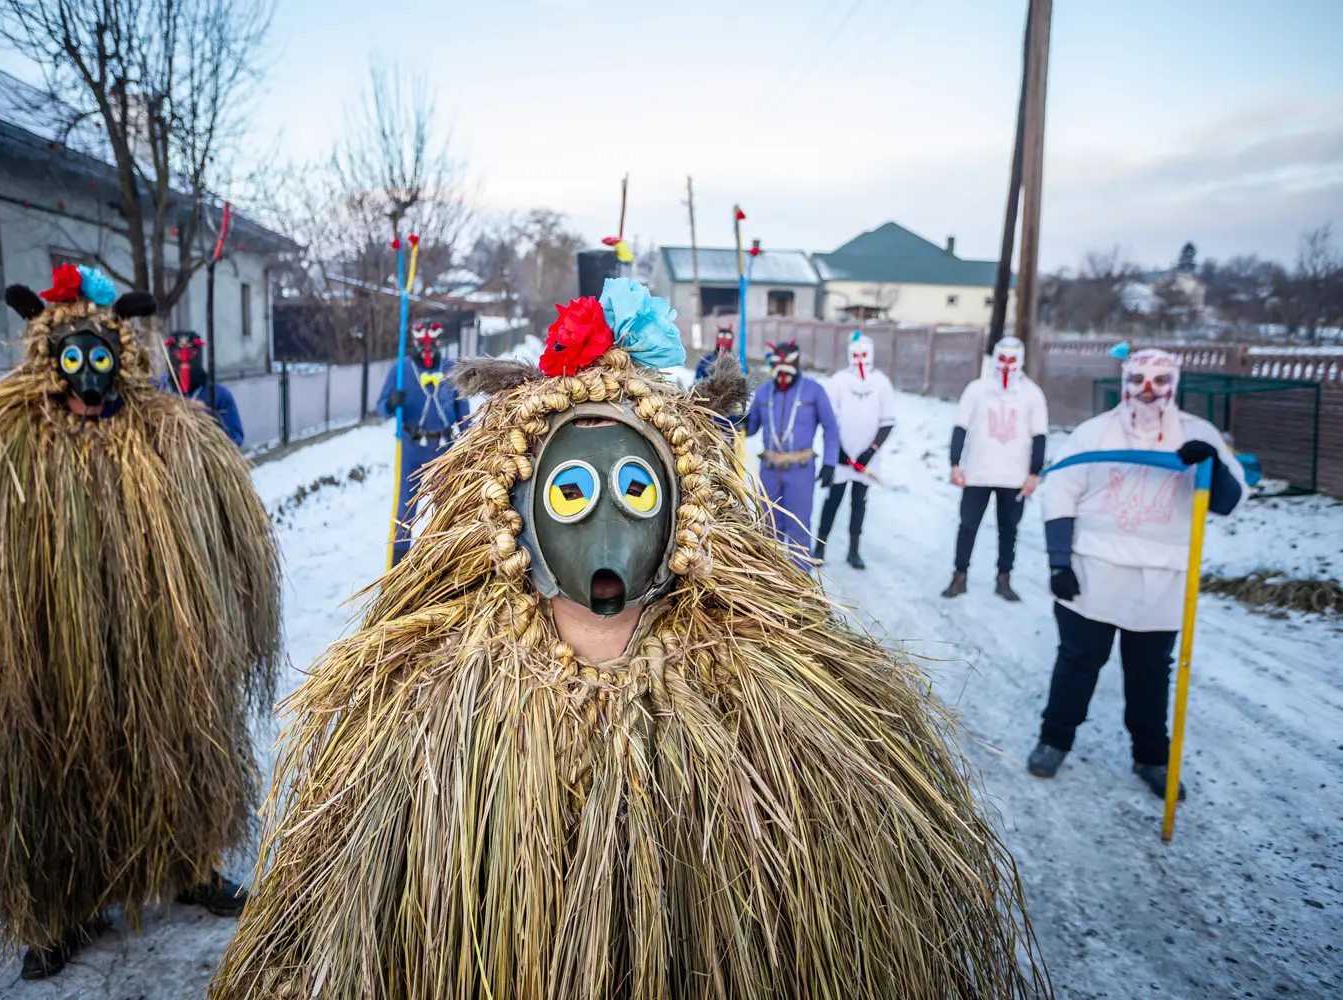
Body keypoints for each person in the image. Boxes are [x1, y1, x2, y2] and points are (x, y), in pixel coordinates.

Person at [208, 279, 1049, 1000]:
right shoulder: (432, 702)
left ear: (683, 508)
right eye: (571, 494)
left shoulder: (752, 693)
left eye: (638, 490)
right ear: (518, 509)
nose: (607, 535)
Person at [0, 265, 281, 980]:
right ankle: (62, 912)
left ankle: (190, 865)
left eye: (101, 359)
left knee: (180, 751)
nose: (88, 381)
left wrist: (231, 619)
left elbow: (233, 532)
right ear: (50, 362)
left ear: (120, 358)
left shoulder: (173, 436)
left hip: (160, 647)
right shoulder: (4, 443)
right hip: (48, 658)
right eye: (73, 360)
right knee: (54, 776)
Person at [1026, 347, 1247, 798]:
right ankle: (1054, 740)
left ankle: (1151, 757)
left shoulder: (1197, 433)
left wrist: (1213, 464)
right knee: (1077, 663)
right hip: (1093, 573)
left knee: (1150, 674)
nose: (1148, 390)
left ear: (1175, 383)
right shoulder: (1095, 433)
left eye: (1160, 381)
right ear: (1124, 381)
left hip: (1163, 582)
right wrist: (1058, 561)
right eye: (1139, 379)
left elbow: (1227, 501)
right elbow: (1060, 494)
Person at [942, 336, 1048, 600]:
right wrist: (955, 464)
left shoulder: (1031, 394)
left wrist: (1034, 473)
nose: (1007, 365)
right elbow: (960, 427)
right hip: (978, 472)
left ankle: (1004, 578)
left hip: (1014, 475)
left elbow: (1039, 435)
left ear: (1021, 361)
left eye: (1013, 360)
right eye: (1002, 359)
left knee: (1009, 530)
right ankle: (959, 575)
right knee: (968, 525)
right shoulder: (977, 389)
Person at [378, 321, 471, 565]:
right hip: (411, 449)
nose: (428, 348)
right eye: (422, 342)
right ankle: (397, 566)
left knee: (447, 507)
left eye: (432, 343)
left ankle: (446, 561)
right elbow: (381, 408)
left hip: (444, 449)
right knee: (405, 510)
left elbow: (464, 413)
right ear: (415, 342)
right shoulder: (401, 369)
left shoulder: (451, 369)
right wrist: (391, 403)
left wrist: (470, 442)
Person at [745, 340, 839, 562]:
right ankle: (770, 578)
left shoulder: (814, 391)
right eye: (778, 362)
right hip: (769, 470)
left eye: (789, 362)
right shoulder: (764, 392)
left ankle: (799, 584)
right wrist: (739, 417)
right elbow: (751, 428)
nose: (783, 368)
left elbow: (831, 427)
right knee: (768, 527)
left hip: (800, 470)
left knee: (798, 528)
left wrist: (830, 462)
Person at [815, 331, 895, 568]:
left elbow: (887, 421)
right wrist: (836, 450)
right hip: (842, 457)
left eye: (864, 354)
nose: (860, 359)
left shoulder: (881, 382)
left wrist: (871, 451)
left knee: (859, 503)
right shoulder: (838, 381)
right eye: (856, 354)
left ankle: (854, 550)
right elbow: (828, 418)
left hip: (866, 460)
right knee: (833, 501)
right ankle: (819, 548)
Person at [159, 329, 245, 446]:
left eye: (191, 354)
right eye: (178, 354)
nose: (184, 360)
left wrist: (213, 420)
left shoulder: (219, 395)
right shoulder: (157, 391)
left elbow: (236, 437)